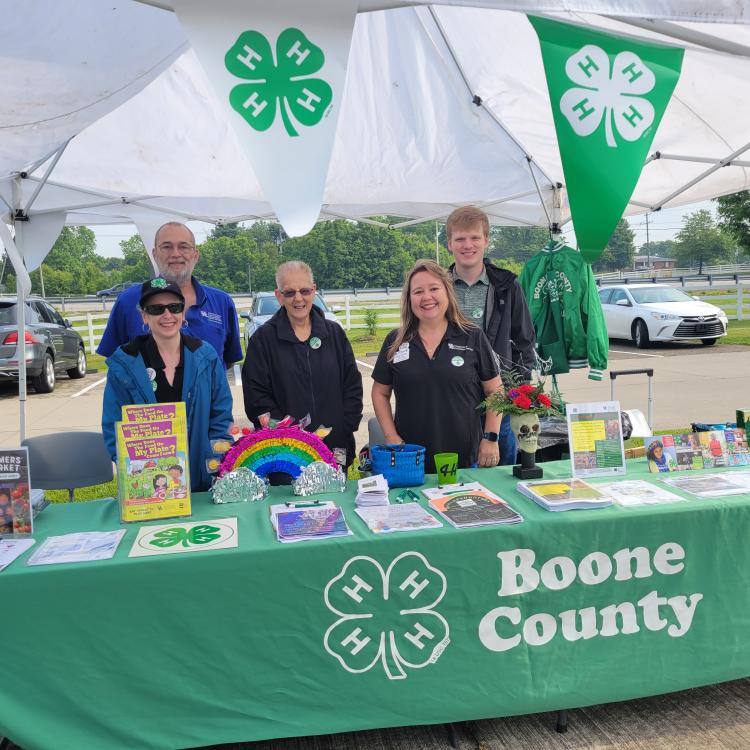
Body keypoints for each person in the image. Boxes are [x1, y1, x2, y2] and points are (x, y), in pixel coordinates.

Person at [102, 278, 234, 492]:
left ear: (183, 312)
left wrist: (213, 464)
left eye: (174, 307)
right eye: (156, 309)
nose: (167, 315)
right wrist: (137, 474)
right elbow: (114, 429)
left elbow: (221, 417)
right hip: (149, 488)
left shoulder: (206, 356)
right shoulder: (124, 364)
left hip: (202, 484)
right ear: (144, 315)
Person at [371, 259, 503, 472]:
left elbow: (495, 390)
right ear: (409, 298)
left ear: (447, 292)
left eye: (434, 288)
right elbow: (379, 392)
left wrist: (491, 437)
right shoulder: (395, 341)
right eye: (418, 291)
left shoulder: (472, 337)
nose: (426, 297)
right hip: (411, 460)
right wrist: (391, 436)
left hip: (465, 460)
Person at [242, 260, 363, 472]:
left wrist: (345, 426)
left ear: (314, 291)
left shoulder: (334, 333)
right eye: (289, 293)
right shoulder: (263, 340)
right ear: (279, 296)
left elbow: (352, 385)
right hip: (286, 454)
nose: (298, 298)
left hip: (334, 446)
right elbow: (257, 399)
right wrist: (288, 437)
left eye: (305, 290)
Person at [446, 206, 536, 466]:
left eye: (475, 238)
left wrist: (515, 393)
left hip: (499, 403)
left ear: (486, 240)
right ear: (449, 243)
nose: (468, 245)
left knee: (501, 476)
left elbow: (524, 342)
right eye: (460, 238)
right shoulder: (438, 286)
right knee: (457, 479)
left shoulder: (507, 287)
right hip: (454, 400)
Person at [97, 222, 242, 368]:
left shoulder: (222, 302)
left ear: (195, 255)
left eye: (184, 247)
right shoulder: (128, 301)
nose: (175, 254)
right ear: (154, 254)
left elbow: (228, 360)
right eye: (166, 247)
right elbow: (115, 359)